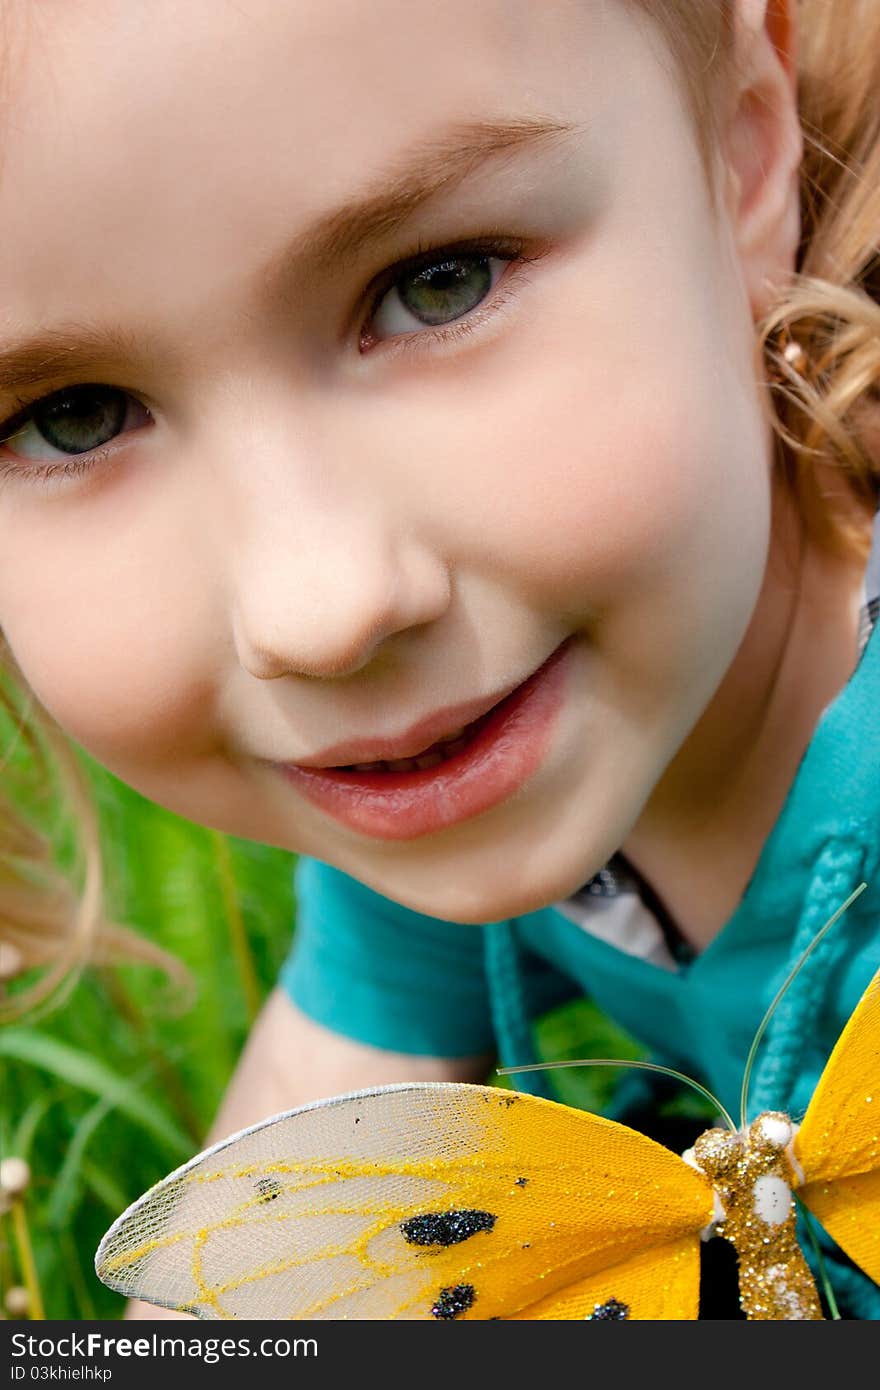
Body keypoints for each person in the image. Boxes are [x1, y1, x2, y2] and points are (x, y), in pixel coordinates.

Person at [1, 0, 878, 1319]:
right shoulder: (449, 757)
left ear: (744, 150)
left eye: (440, 282)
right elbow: (260, 1260)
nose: (319, 608)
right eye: (71, 418)